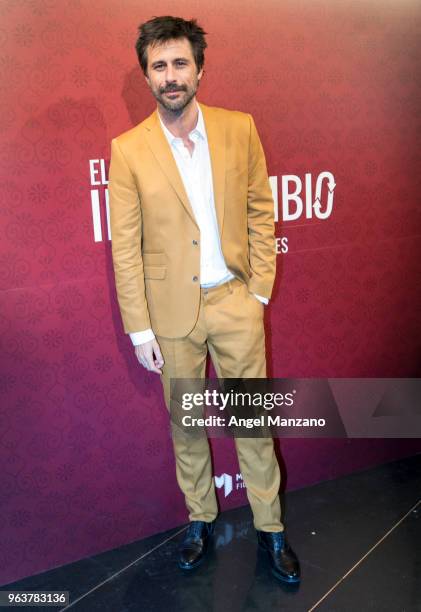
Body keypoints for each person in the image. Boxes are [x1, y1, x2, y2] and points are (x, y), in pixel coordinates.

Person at [108, 15, 300, 584]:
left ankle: (271, 528)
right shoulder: (127, 149)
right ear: (147, 76)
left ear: (200, 70)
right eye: (159, 66)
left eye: (180, 64)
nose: (170, 76)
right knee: (186, 426)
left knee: (253, 422)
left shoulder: (239, 128)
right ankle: (200, 519)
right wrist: (139, 329)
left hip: (235, 302)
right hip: (170, 316)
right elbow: (126, 248)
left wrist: (258, 290)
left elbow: (262, 211)